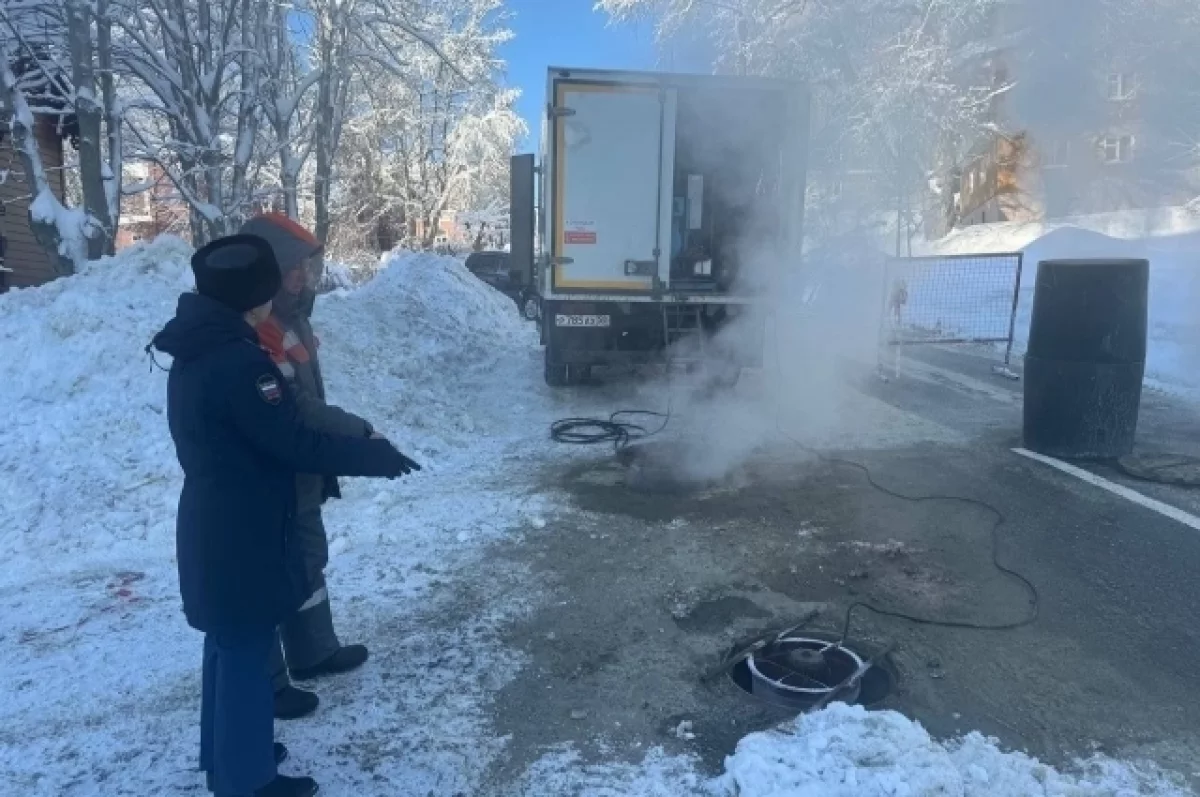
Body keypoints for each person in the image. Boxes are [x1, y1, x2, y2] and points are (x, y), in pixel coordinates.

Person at [152, 234, 419, 797]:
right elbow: (294, 442)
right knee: (245, 649)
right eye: (268, 289)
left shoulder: (200, 348)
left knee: (227, 645)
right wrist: (373, 456)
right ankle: (246, 780)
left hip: (216, 519)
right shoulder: (241, 364)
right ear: (252, 298)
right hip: (243, 528)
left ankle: (228, 755)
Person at [239, 212, 376, 720]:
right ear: (269, 270)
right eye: (292, 267)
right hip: (269, 477)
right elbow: (296, 406)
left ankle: (313, 651)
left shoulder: (293, 319)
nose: (302, 276)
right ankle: (270, 683)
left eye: (306, 267)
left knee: (307, 557)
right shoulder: (256, 328)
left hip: (300, 469)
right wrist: (356, 432)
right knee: (270, 572)